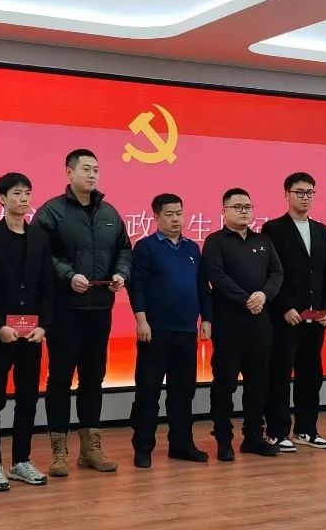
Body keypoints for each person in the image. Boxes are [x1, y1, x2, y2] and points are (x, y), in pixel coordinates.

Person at [33, 149, 131, 476]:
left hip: (100, 309)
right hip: (65, 310)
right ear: (69, 172)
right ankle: (59, 450)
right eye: (86, 169)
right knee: (60, 378)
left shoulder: (110, 212)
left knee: (94, 378)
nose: (92, 175)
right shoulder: (52, 212)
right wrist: (67, 275)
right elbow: (40, 253)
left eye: (96, 170)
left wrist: (121, 274)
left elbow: (124, 250)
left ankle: (91, 449)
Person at [0, 173, 53, 491]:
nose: (24, 199)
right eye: (17, 194)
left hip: (32, 335)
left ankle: (21, 460)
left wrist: (44, 325)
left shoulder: (40, 237)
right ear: (1, 198)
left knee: (28, 398)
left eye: (27, 193)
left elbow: (47, 287)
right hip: (1, 333)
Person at [128, 193, 213, 468]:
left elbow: (202, 286)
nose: (176, 219)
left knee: (183, 393)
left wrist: (207, 319)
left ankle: (181, 444)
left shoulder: (192, 248)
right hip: (154, 332)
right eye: (169, 214)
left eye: (179, 213)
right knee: (148, 392)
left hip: (186, 331)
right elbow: (136, 285)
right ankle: (143, 448)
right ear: (156, 217)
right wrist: (141, 320)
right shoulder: (145, 247)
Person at [204, 188, 283, 460]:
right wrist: (245, 298)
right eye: (237, 207)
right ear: (224, 211)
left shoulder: (263, 240)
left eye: (248, 206)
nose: (244, 211)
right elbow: (216, 276)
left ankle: (253, 436)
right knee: (225, 383)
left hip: (260, 321)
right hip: (229, 322)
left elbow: (277, 272)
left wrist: (264, 295)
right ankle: (223, 439)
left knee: (258, 382)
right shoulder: (215, 241)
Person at [263, 172, 326, 452]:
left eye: (310, 193)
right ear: (287, 195)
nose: (305, 198)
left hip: (315, 319)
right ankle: (277, 431)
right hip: (286, 317)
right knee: (280, 375)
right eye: (299, 192)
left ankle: (307, 429)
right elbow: (270, 273)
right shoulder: (273, 229)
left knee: (311, 376)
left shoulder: (322, 230)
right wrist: (284, 307)